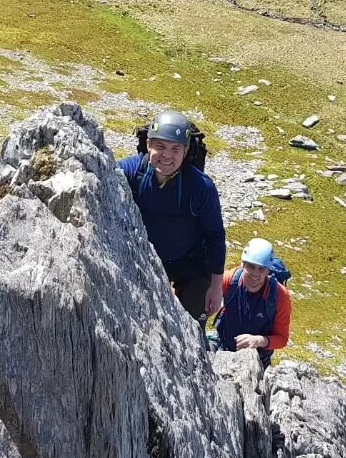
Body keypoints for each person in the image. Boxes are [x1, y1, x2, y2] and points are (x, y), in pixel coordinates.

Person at [119, 110, 225, 321]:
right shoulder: (130, 172)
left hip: (191, 263)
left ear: (185, 152)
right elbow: (99, 174)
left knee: (193, 322)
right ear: (148, 144)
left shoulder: (201, 187)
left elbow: (215, 236)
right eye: (161, 146)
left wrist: (216, 286)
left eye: (175, 149)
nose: (167, 155)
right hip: (143, 259)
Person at [211, 237, 292, 367]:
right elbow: (202, 295)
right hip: (224, 348)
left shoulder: (279, 296)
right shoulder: (230, 280)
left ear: (268, 270)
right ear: (242, 264)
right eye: (251, 266)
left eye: (261, 269)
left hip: (257, 359)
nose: (255, 274)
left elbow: (282, 338)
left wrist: (259, 340)